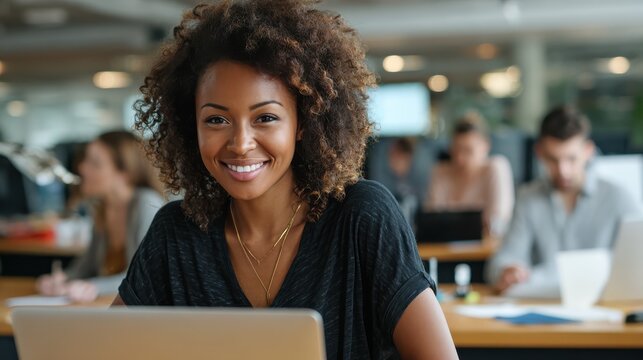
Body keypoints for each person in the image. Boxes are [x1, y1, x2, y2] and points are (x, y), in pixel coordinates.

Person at [111, 1, 458, 359]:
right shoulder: (175, 235)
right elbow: (103, 347)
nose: (241, 144)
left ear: (303, 123)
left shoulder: (361, 217)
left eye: (265, 118)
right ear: (190, 126)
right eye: (216, 120)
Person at [487, 105, 642, 293]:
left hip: (605, 310)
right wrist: (507, 271)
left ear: (588, 151)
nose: (563, 170)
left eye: (571, 159)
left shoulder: (619, 198)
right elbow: (502, 260)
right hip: (540, 309)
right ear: (539, 152)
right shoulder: (528, 198)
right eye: (552, 160)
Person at [36, 130, 165, 303]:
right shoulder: (102, 208)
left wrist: (93, 287)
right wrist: (61, 280)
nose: (82, 168)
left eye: (95, 163)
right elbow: (85, 267)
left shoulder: (147, 203)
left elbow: (141, 277)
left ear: (124, 173)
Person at [423, 112, 514, 238]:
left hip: (485, 252)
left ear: (486, 146)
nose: (460, 158)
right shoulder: (440, 171)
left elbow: (497, 222)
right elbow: (431, 221)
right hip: (445, 252)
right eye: (456, 150)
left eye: (468, 151)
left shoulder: (495, 167)